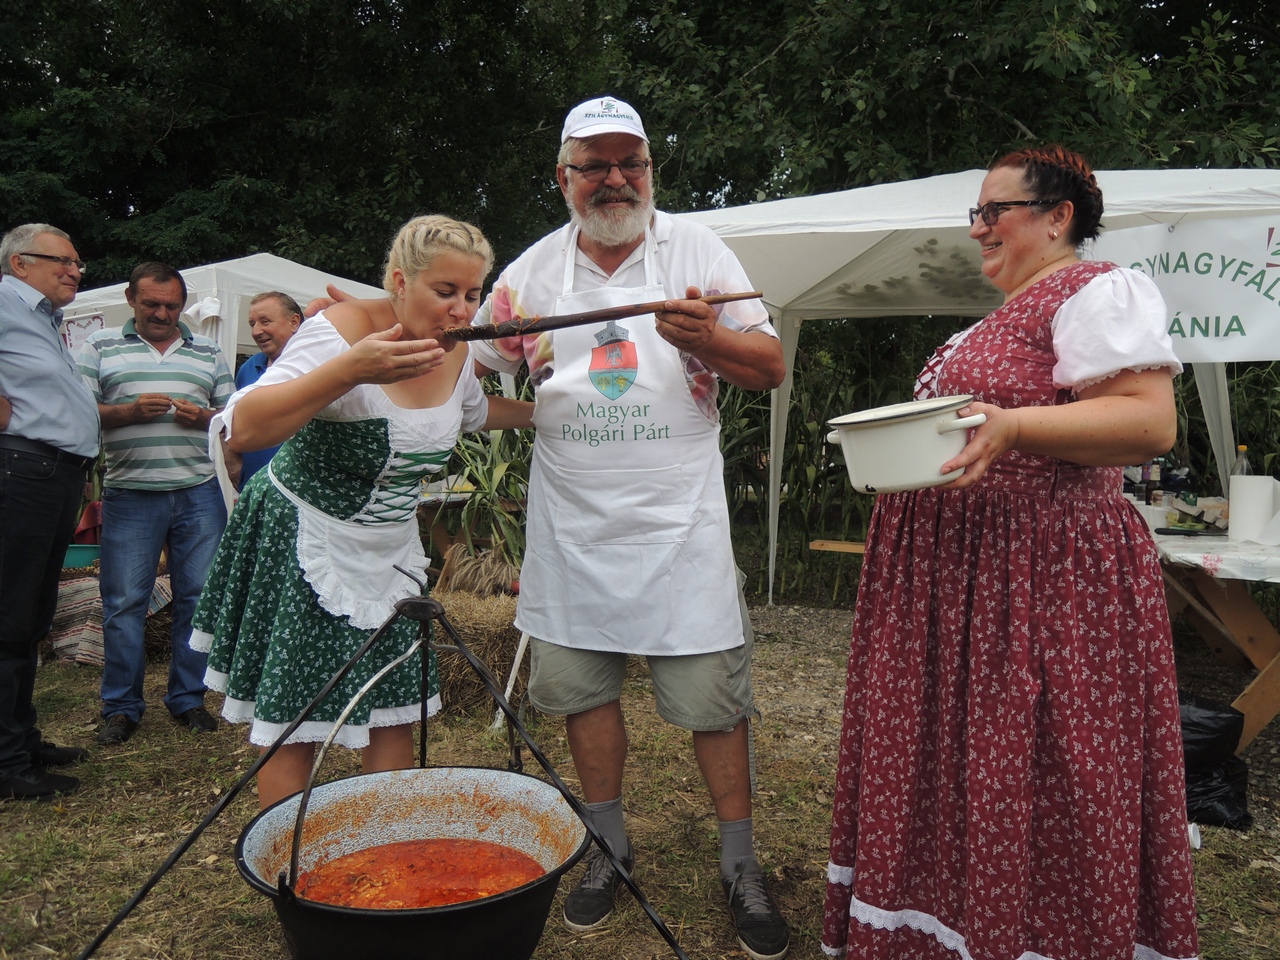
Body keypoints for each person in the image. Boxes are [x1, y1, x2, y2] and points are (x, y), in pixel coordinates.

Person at [821, 146, 1199, 959]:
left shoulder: (1097, 290)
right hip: (966, 579)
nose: (979, 227)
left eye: (997, 211)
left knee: (1030, 773)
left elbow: (1147, 422)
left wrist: (1017, 425)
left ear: (1059, 217)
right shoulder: (1002, 317)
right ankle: (953, 928)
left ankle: (1034, 936)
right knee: (962, 769)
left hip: (1038, 578)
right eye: (976, 214)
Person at [468, 97, 790, 960]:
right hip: (573, 527)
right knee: (582, 692)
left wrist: (714, 337)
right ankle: (609, 845)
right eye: (595, 164)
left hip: (680, 526)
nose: (615, 180)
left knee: (713, 706)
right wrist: (518, 416)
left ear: (650, 169)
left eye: (631, 163)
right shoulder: (529, 275)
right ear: (564, 176)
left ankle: (739, 862)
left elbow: (770, 367)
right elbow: (471, 373)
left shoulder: (697, 252)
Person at [190, 215, 533, 810]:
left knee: (392, 707)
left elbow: (473, 412)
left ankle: (384, 850)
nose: (461, 310)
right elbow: (244, 428)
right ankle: (289, 868)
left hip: (391, 548)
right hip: (308, 536)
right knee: (298, 715)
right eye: (445, 292)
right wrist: (351, 368)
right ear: (400, 281)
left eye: (473, 294)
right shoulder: (342, 330)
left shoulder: (455, 350)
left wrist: (557, 412)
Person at [78, 262, 235, 746]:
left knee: (199, 598)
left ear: (183, 305)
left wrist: (204, 416)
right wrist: (126, 411)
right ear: (130, 299)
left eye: (171, 305)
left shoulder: (208, 350)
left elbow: (235, 418)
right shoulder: (99, 345)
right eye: (151, 304)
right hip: (129, 494)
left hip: (198, 492)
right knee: (124, 603)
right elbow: (78, 412)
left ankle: (187, 699)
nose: (162, 313)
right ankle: (121, 708)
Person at [0, 224, 99, 800]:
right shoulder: (5, 301)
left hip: (51, 474)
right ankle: (6, 760)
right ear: (20, 263)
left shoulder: (43, 318)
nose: (74, 271)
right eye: (62, 261)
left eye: (77, 263)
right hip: (21, 470)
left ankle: (21, 739)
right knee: (9, 617)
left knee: (32, 616)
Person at [232, 291, 304, 489]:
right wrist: (233, 462)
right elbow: (232, 422)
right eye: (252, 324)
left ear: (294, 322)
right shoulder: (249, 368)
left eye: (265, 321)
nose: (256, 331)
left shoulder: (319, 366)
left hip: (305, 493)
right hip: (256, 488)